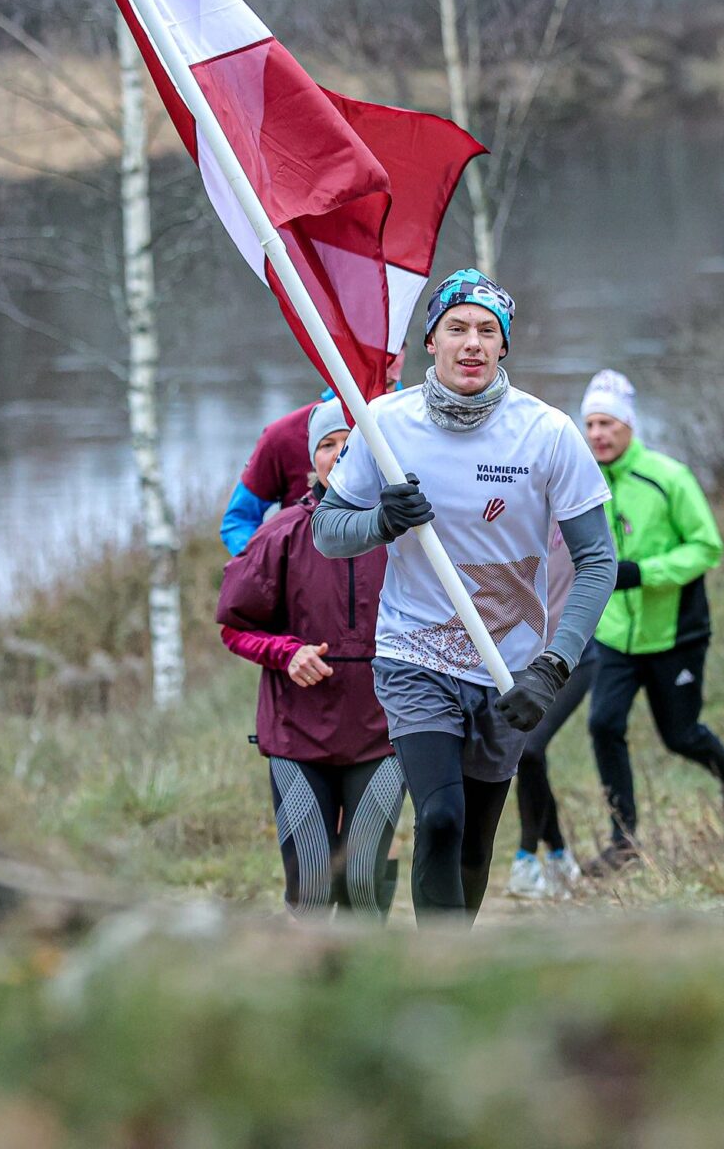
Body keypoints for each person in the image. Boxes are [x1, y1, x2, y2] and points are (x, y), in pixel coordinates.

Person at [313, 269, 616, 924]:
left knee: (475, 842)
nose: (472, 343)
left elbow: (597, 560)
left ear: (504, 346)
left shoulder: (548, 433)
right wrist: (380, 522)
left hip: (511, 670)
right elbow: (327, 534)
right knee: (442, 820)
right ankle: (432, 977)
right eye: (457, 328)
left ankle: (451, 955)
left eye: (487, 330)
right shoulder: (384, 426)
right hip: (414, 654)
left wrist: (553, 666)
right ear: (432, 340)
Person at [562, 370, 724, 875]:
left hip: (674, 633)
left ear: (628, 425)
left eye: (607, 423)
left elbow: (706, 546)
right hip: (614, 636)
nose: (598, 434)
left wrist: (644, 574)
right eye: (591, 424)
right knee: (604, 725)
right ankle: (623, 839)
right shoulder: (586, 480)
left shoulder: (667, 477)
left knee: (681, 735)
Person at [216, 399, 404, 918]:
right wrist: (286, 651)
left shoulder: (407, 534)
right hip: (297, 735)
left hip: (383, 732)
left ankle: (368, 988)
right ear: (310, 461)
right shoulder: (278, 535)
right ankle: (309, 991)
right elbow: (234, 626)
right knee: (314, 890)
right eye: (327, 444)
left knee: (364, 881)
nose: (340, 453)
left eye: (352, 442)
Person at [505, 529, 595, 900]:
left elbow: (601, 569)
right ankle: (558, 855)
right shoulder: (508, 503)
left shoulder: (580, 509)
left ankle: (526, 859)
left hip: (571, 657)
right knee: (529, 755)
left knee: (529, 747)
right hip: (517, 656)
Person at [220, 396, 322, 555]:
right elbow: (239, 520)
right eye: (328, 445)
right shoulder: (285, 435)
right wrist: (266, 566)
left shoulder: (375, 422)